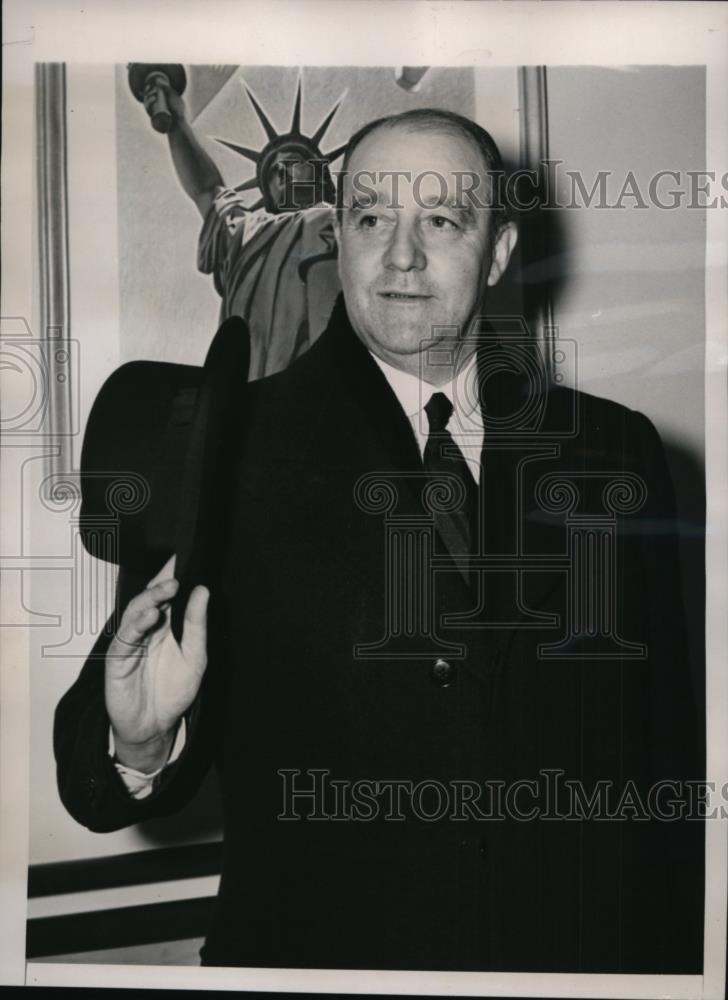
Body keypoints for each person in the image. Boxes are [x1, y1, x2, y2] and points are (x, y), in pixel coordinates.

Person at [55, 108, 703, 973]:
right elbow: (103, 756)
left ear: (500, 251)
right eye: (369, 218)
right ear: (339, 233)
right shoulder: (229, 448)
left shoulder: (614, 450)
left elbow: (664, 756)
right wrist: (137, 741)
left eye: (441, 219)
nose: (401, 256)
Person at [143, 74, 342, 379]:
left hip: (313, 392)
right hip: (243, 397)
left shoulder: (345, 225)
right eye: (273, 170)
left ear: (319, 176)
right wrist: (177, 121)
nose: (281, 171)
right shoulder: (247, 231)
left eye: (293, 161)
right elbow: (207, 190)